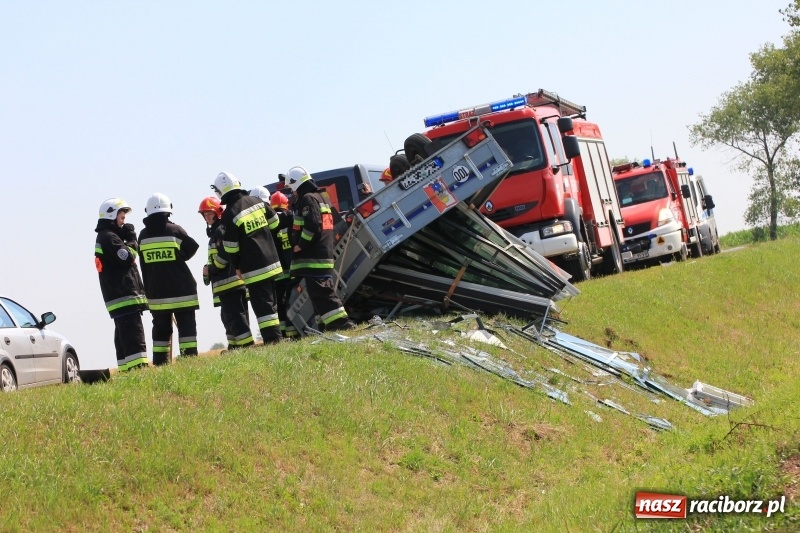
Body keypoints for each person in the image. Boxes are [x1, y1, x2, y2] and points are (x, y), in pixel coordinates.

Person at [212, 171, 283, 344]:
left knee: (263, 306)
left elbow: (231, 247)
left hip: (254, 268)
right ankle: (275, 338)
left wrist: (237, 266)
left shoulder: (230, 214)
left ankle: (273, 340)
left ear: (220, 192)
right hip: (272, 261)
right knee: (272, 303)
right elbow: (275, 223)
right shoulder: (257, 201)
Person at [285, 166, 356, 332]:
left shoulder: (308, 199)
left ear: (296, 184)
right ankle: (325, 323)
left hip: (313, 255)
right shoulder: (321, 197)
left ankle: (340, 322)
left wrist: (299, 245)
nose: (291, 192)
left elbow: (312, 227)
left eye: (291, 188)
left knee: (322, 291)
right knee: (317, 292)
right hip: (322, 252)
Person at [138, 193, 200, 365]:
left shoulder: (142, 236)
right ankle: (190, 361)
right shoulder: (176, 230)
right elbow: (191, 249)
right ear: (168, 211)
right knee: (187, 328)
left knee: (160, 331)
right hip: (182, 292)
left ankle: (160, 363)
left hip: (157, 294)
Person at [94, 198, 149, 371]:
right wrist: (132, 239)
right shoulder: (109, 237)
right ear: (112, 215)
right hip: (123, 295)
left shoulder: (108, 236)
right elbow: (129, 257)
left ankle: (127, 370)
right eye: (122, 217)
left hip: (119, 297)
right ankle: (139, 369)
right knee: (133, 333)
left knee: (123, 335)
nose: (124, 221)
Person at [198, 196, 253, 350]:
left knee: (236, 317)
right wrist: (207, 271)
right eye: (205, 215)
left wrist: (212, 269)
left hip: (230, 283)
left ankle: (245, 346)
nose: (207, 217)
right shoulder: (216, 232)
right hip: (226, 284)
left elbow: (225, 255)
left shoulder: (220, 231)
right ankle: (234, 346)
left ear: (218, 212)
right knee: (228, 317)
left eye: (210, 213)